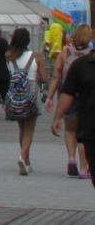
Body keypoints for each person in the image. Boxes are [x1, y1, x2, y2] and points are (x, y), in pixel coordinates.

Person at [46, 22, 93, 179]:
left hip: (68, 96)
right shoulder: (90, 54)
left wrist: (50, 97)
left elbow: (56, 76)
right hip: (87, 98)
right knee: (83, 133)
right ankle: (84, 168)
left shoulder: (65, 53)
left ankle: (71, 159)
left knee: (70, 130)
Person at [6, 27, 48, 175]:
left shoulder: (10, 56)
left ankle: (27, 161)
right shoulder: (36, 57)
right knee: (30, 130)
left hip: (16, 93)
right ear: (28, 40)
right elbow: (44, 78)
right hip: (31, 93)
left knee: (22, 129)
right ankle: (23, 157)